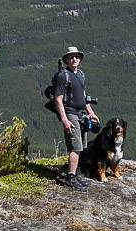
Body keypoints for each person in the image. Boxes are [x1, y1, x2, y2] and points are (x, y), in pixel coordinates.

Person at [54, 46, 99, 192]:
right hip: (70, 114)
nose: (74, 59)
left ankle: (74, 174)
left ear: (80, 60)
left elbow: (84, 98)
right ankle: (71, 178)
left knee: (81, 146)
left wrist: (91, 113)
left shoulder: (80, 74)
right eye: (71, 57)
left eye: (76, 57)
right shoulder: (63, 76)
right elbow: (58, 100)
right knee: (75, 146)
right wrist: (65, 120)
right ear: (66, 60)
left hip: (80, 114)